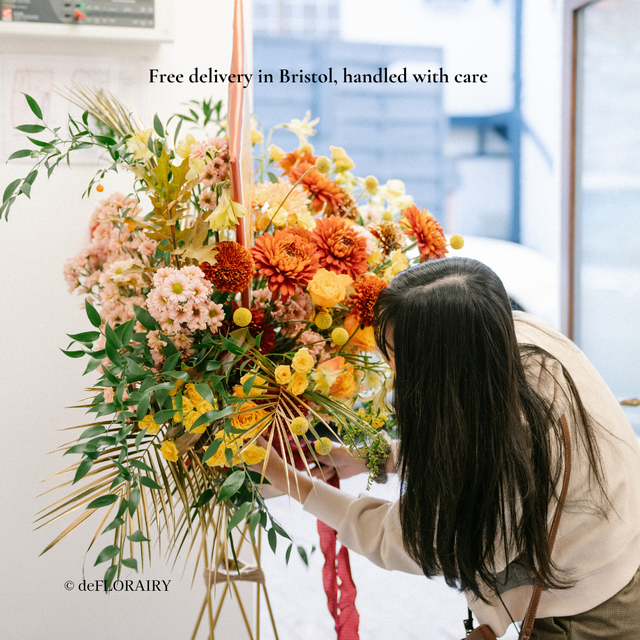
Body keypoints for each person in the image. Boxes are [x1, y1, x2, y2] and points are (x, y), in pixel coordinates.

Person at [257, 257, 640, 638]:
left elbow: (414, 540)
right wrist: (375, 458)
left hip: (590, 610)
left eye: (395, 354)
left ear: (440, 364)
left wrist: (287, 479)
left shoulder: (508, 437)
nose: (392, 368)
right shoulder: (516, 337)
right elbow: (466, 446)